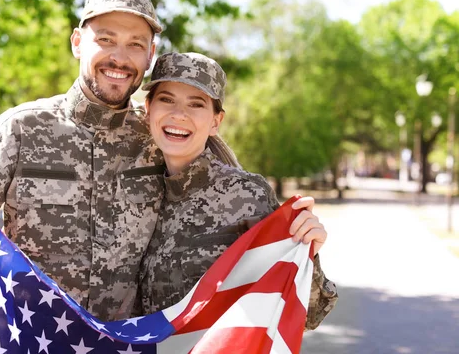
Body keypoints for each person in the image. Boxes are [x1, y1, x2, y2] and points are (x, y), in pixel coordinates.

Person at [0, 0, 321, 322]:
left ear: (150, 54)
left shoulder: (161, 136)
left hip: (126, 344)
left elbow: (222, 205)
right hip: (30, 338)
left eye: (136, 44)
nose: (120, 57)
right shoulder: (20, 129)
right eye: (106, 39)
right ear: (78, 42)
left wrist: (298, 241)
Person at [134, 52, 338, 329]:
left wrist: (308, 254)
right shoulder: (135, 193)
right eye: (167, 100)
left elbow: (307, 314)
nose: (179, 114)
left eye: (196, 104)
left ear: (216, 122)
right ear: (148, 109)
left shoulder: (245, 195)